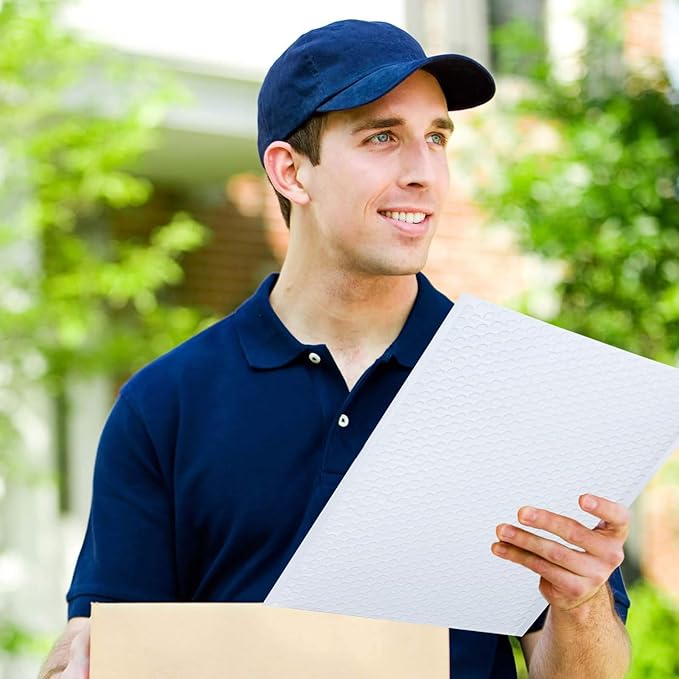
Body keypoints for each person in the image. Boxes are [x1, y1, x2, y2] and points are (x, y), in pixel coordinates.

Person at [39, 19, 632, 679]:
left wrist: (581, 604)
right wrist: (79, 659)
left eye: (436, 138)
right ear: (291, 171)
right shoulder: (165, 404)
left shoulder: (515, 389)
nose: (424, 173)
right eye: (382, 137)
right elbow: (103, 643)